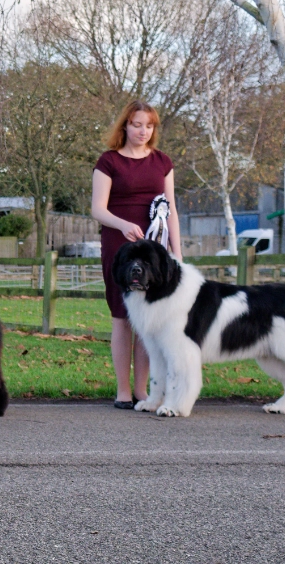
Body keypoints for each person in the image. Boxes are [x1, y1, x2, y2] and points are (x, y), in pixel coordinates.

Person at [92, 100, 181, 410]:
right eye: (137, 124)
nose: (143, 131)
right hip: (120, 248)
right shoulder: (109, 162)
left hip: (155, 253)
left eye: (149, 125)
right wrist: (123, 225)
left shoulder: (163, 162)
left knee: (148, 320)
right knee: (122, 318)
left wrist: (177, 253)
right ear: (125, 126)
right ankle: (123, 391)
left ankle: (143, 391)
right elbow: (97, 209)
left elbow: (171, 211)